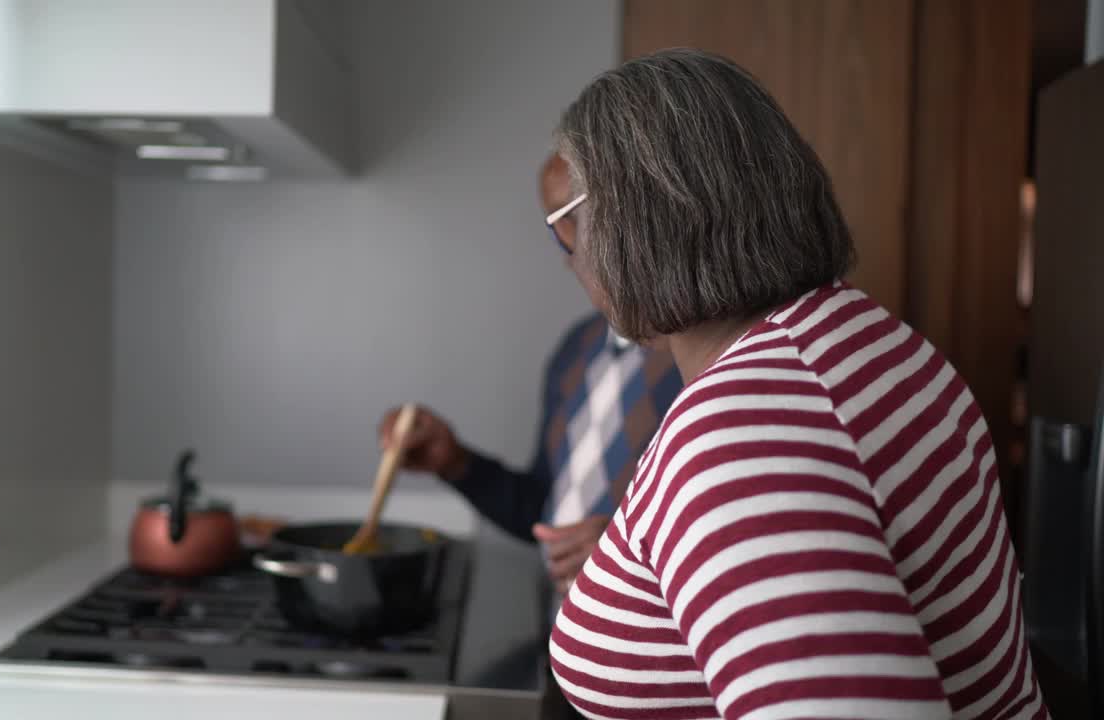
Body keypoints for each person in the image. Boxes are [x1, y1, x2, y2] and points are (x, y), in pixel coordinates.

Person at [547, 49, 1048, 720]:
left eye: (568, 225)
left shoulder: (736, 436)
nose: (571, 251)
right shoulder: (865, 339)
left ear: (631, 221)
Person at [377, 154, 683, 596]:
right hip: (566, 649)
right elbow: (547, 515)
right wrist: (456, 462)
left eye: (581, 214)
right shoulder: (575, 352)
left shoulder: (707, 356)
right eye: (560, 222)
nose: (573, 243)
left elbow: (736, 530)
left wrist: (633, 548)